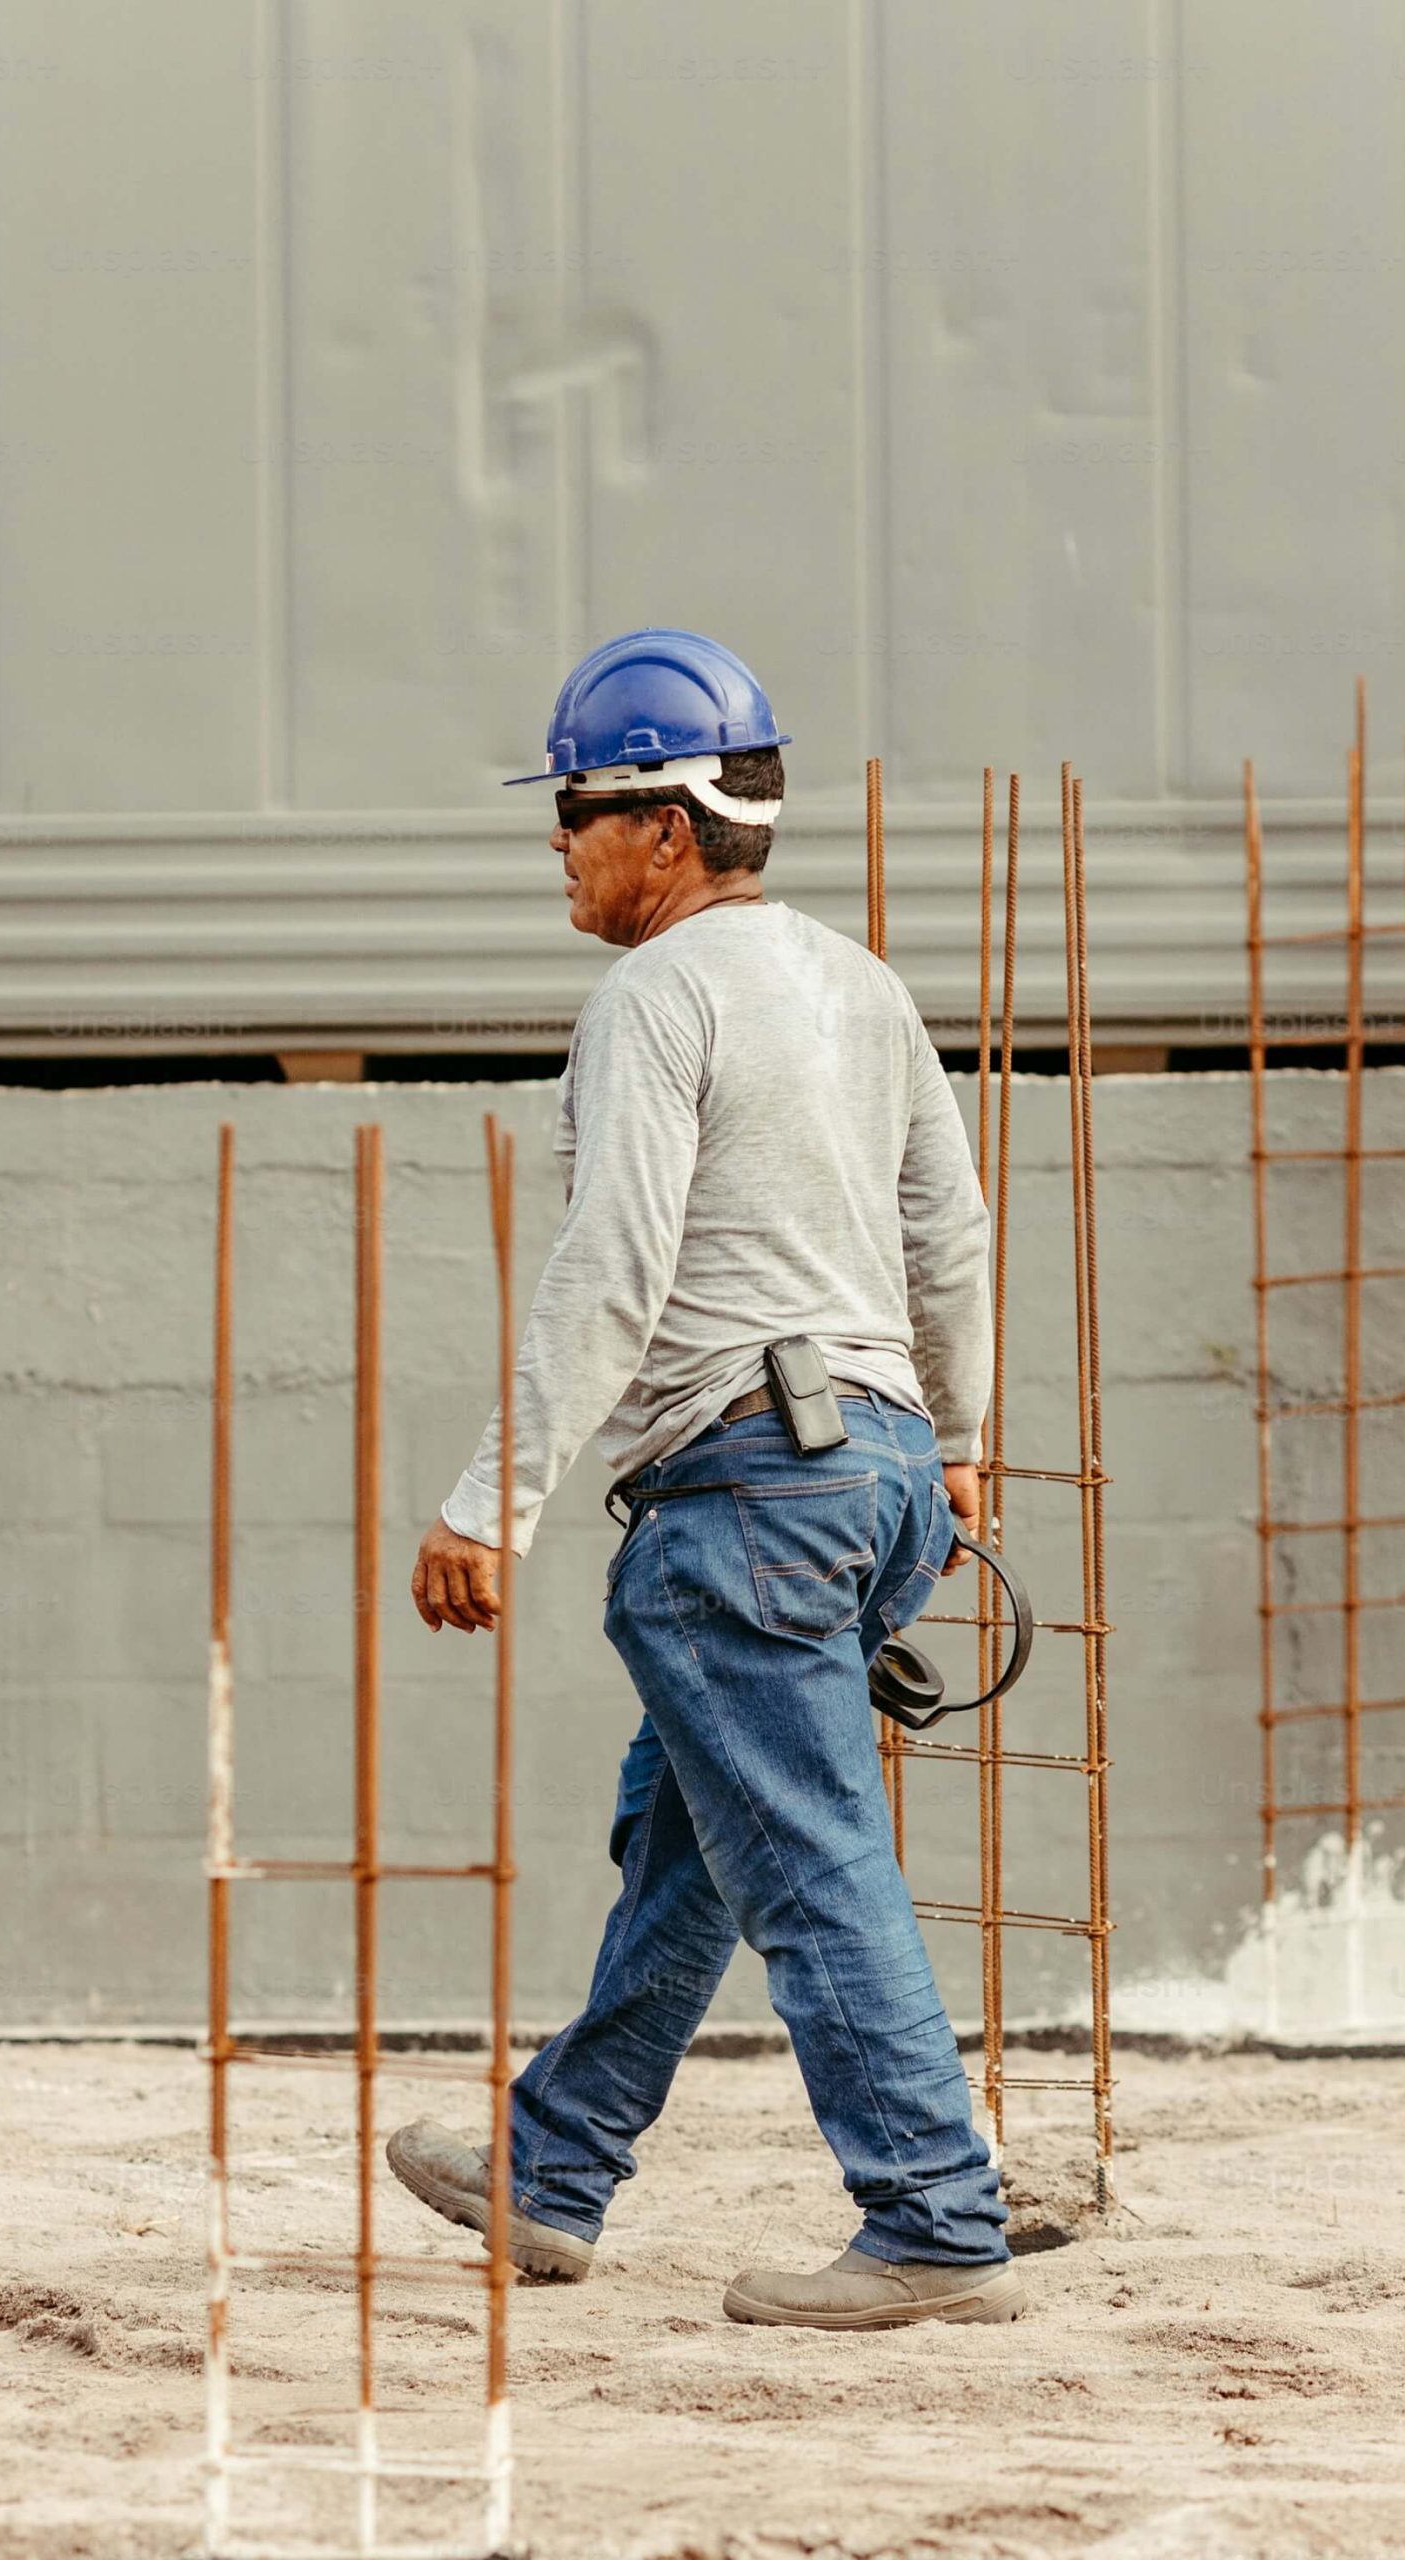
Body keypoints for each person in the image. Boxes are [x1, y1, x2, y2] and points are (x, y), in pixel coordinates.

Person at [393, 629, 1020, 2328]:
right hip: (876, 1474)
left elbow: (612, 1263)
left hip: (746, 1493)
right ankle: (556, 2163)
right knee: (698, 1842)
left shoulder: (655, 995)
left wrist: (489, 1499)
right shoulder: (861, 984)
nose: (559, 841)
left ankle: (936, 2221)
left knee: (806, 1858)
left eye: (582, 807)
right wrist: (958, 1448)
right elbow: (947, 1236)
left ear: (668, 826)